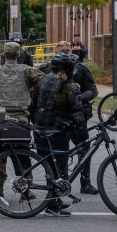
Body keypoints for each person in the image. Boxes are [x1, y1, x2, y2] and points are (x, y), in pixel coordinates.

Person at [0, 41, 43, 203]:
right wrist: (30, 88)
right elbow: (43, 81)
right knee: (22, 155)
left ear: (3, 55)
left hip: (1, 119)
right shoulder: (27, 71)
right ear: (19, 55)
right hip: (21, 119)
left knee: (1, 155)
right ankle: (26, 190)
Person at [42, 41, 99, 194]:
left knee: (84, 149)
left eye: (69, 50)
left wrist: (80, 97)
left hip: (77, 118)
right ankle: (61, 181)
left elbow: (92, 89)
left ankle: (85, 182)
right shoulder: (46, 70)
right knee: (60, 152)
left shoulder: (80, 69)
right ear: (56, 51)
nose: (67, 52)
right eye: (63, 50)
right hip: (56, 120)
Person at [31, 53, 83, 217]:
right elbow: (77, 114)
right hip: (56, 133)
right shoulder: (69, 87)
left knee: (50, 169)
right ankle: (52, 204)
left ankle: (54, 202)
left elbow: (33, 104)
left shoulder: (43, 80)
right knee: (59, 168)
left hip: (40, 130)